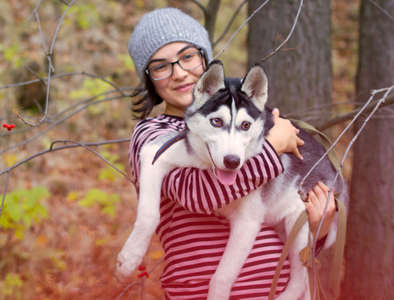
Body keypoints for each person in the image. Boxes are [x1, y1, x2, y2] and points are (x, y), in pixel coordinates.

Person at [126, 7, 336, 299]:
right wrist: (273, 147)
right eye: (161, 66)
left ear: (205, 61)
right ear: (149, 78)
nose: (180, 73)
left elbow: (292, 232)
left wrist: (318, 229)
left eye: (187, 57)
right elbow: (198, 195)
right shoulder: (153, 134)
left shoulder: (240, 124)